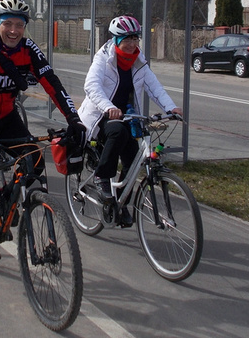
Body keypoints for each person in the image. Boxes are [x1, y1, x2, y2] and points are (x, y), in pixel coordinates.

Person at [0, 0, 85, 260]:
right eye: (8, 24)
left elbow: (52, 82)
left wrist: (73, 118)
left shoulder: (28, 49)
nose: (14, 30)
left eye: (19, 25)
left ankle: (6, 198)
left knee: (35, 160)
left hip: (6, 118)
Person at [77, 15, 182, 226]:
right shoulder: (103, 59)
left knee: (133, 160)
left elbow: (155, 87)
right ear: (116, 40)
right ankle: (101, 176)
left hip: (128, 113)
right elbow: (92, 86)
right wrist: (109, 107)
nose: (132, 44)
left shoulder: (138, 61)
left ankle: (120, 204)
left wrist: (171, 107)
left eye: (135, 39)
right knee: (118, 132)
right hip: (101, 115)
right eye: (127, 39)